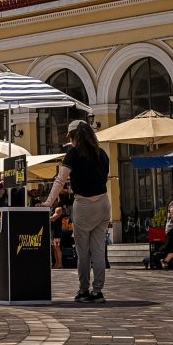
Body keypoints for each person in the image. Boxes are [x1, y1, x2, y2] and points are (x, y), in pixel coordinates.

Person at [44, 120, 111, 303]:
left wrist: (49, 202)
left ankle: (83, 291)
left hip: (84, 205)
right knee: (98, 250)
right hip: (104, 203)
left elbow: (60, 180)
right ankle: (98, 292)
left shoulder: (73, 153)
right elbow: (103, 178)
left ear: (73, 137)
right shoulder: (102, 153)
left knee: (83, 252)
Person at [49, 193, 68, 269]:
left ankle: (60, 264)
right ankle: (56, 263)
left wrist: (43, 217)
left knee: (57, 247)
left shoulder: (58, 208)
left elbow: (53, 218)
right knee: (54, 248)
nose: (52, 202)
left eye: (54, 201)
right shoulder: (52, 208)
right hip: (52, 231)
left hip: (56, 231)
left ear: (57, 201)